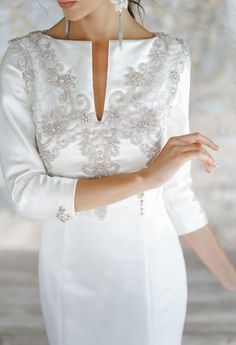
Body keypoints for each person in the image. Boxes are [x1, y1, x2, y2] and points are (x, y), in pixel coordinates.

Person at [0, 1, 235, 344]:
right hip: (67, 275)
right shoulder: (23, 60)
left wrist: (230, 278)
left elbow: (177, 193)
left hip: (151, 272)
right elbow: (26, 194)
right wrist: (145, 179)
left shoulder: (170, 57)